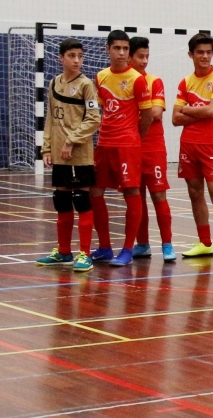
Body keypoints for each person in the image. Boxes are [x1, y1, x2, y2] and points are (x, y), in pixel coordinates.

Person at [36, 38, 101, 272]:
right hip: (59, 155)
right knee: (61, 201)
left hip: (79, 154)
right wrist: (46, 147)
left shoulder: (86, 85)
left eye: (80, 56)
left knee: (81, 200)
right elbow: (51, 118)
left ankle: (84, 254)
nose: (76, 60)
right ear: (61, 58)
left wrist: (72, 140)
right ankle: (63, 251)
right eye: (72, 55)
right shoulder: (54, 83)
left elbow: (94, 119)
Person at [172, 33, 213, 263]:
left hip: (210, 145)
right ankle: (205, 243)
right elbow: (174, 119)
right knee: (194, 193)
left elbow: (212, 111)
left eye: (209, 52)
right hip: (188, 145)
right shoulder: (185, 82)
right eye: (200, 52)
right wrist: (200, 111)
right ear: (191, 54)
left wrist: (188, 109)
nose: (205, 56)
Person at [89, 30, 153, 267]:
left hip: (127, 146)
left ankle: (127, 249)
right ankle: (105, 246)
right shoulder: (100, 77)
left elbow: (147, 116)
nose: (122, 53)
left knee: (131, 193)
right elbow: (104, 109)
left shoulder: (137, 79)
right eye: (117, 48)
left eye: (126, 49)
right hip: (104, 144)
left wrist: (134, 138)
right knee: (95, 192)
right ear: (108, 50)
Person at [127, 37, 176, 262]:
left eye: (147, 57)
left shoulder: (154, 82)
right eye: (140, 57)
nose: (144, 61)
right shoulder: (121, 81)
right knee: (136, 198)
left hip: (153, 147)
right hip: (130, 147)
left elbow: (155, 113)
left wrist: (127, 116)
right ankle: (142, 243)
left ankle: (167, 244)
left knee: (158, 195)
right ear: (129, 57)